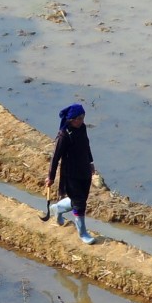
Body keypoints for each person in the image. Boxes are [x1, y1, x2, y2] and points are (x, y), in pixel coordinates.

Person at [41, 102, 99, 244]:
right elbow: (55, 157)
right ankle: (83, 233)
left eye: (83, 118)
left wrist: (91, 163)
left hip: (84, 169)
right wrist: (51, 176)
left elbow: (86, 145)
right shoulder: (64, 135)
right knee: (79, 203)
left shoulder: (82, 128)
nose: (82, 121)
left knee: (79, 200)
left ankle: (57, 209)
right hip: (71, 173)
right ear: (71, 119)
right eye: (79, 119)